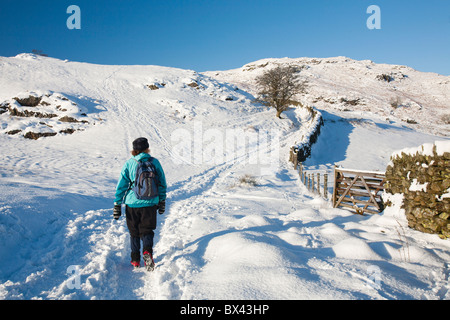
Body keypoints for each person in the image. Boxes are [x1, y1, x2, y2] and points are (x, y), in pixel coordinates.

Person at [113, 137, 167, 270]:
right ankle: (147, 252)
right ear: (147, 148)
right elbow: (162, 183)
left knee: (134, 232)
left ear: (134, 150)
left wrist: (117, 203)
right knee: (147, 230)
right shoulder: (155, 162)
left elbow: (121, 185)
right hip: (150, 203)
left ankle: (135, 260)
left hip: (132, 203)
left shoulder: (129, 163)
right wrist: (162, 201)